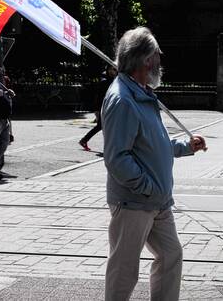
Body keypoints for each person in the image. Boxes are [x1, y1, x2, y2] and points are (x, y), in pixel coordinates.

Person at [102, 27, 206, 301]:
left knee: (171, 255)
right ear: (146, 59)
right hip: (135, 202)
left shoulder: (142, 93)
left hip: (157, 201)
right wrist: (148, 187)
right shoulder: (122, 100)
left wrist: (185, 146)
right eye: (157, 52)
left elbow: (153, 143)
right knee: (124, 270)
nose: (162, 56)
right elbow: (117, 158)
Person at [79, 64, 118, 151]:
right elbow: (98, 96)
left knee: (106, 126)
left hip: (113, 107)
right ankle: (84, 140)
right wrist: (96, 109)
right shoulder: (104, 82)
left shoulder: (117, 82)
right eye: (111, 69)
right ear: (107, 70)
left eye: (115, 70)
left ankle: (84, 140)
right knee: (102, 126)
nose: (113, 71)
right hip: (103, 108)